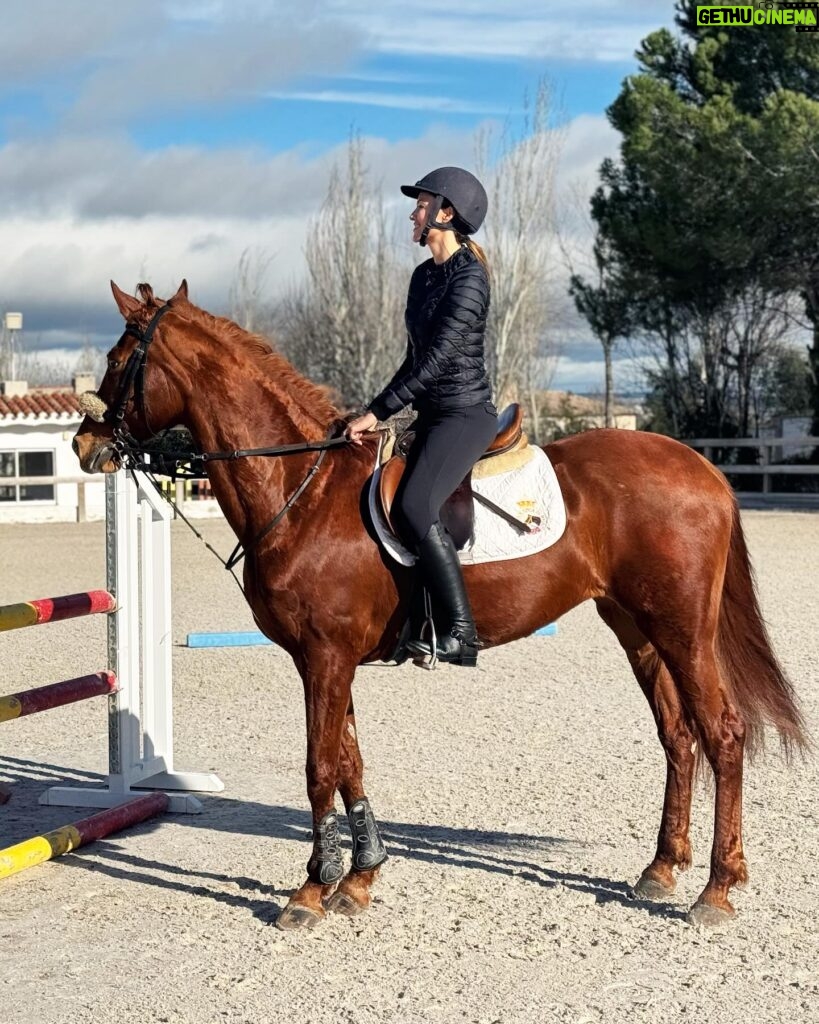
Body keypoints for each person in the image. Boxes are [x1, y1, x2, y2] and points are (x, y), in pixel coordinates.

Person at [346, 167, 498, 667]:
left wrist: (380, 412)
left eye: (422, 204)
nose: (414, 213)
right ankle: (411, 617)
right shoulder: (422, 276)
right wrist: (373, 408)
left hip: (464, 415)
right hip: (430, 414)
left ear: (445, 213)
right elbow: (413, 360)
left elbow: (437, 364)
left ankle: (461, 630)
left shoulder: (470, 279)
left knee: (414, 506)